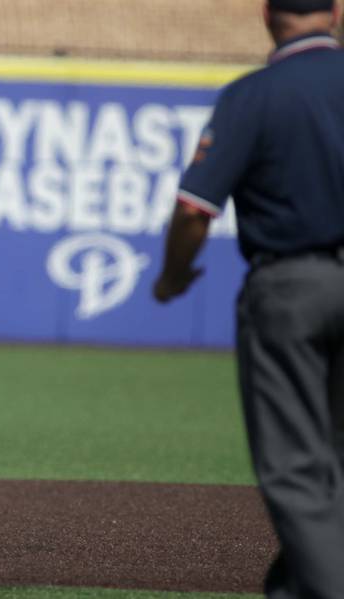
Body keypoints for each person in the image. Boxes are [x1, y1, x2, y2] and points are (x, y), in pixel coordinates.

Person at [153, 1, 344, 596]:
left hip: (291, 286)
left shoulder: (255, 94)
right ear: (335, 11)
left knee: (296, 470)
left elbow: (193, 209)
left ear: (267, 15)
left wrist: (173, 277)